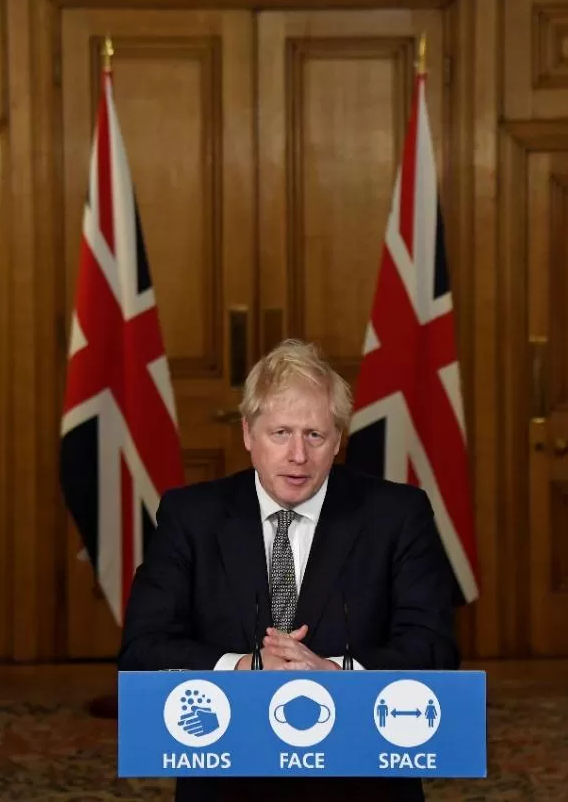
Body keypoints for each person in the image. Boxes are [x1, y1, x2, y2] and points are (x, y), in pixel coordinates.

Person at [119, 339, 459, 802]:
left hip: (360, 776)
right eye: (280, 433)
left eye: (314, 435)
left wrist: (338, 673)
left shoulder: (396, 515)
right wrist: (243, 669)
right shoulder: (191, 517)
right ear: (248, 434)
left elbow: (435, 647)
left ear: (338, 439)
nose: (298, 455)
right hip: (227, 775)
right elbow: (142, 648)